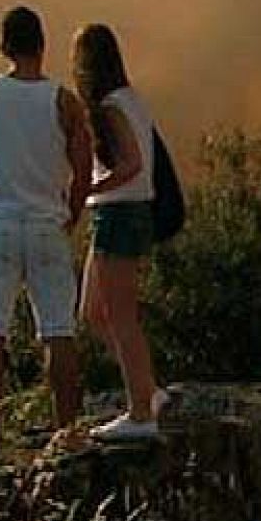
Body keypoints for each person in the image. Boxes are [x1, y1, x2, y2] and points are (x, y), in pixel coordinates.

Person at [0, 6, 93, 460]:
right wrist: (70, 214)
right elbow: (84, 168)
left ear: (5, 46)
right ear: (42, 45)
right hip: (47, 225)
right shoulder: (63, 101)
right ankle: (67, 433)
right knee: (59, 331)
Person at [72, 23, 169, 442]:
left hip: (118, 215)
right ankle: (148, 392)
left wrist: (85, 190)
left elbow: (129, 165)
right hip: (119, 215)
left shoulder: (111, 106)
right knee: (93, 313)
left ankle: (141, 414)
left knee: (120, 317)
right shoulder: (130, 100)